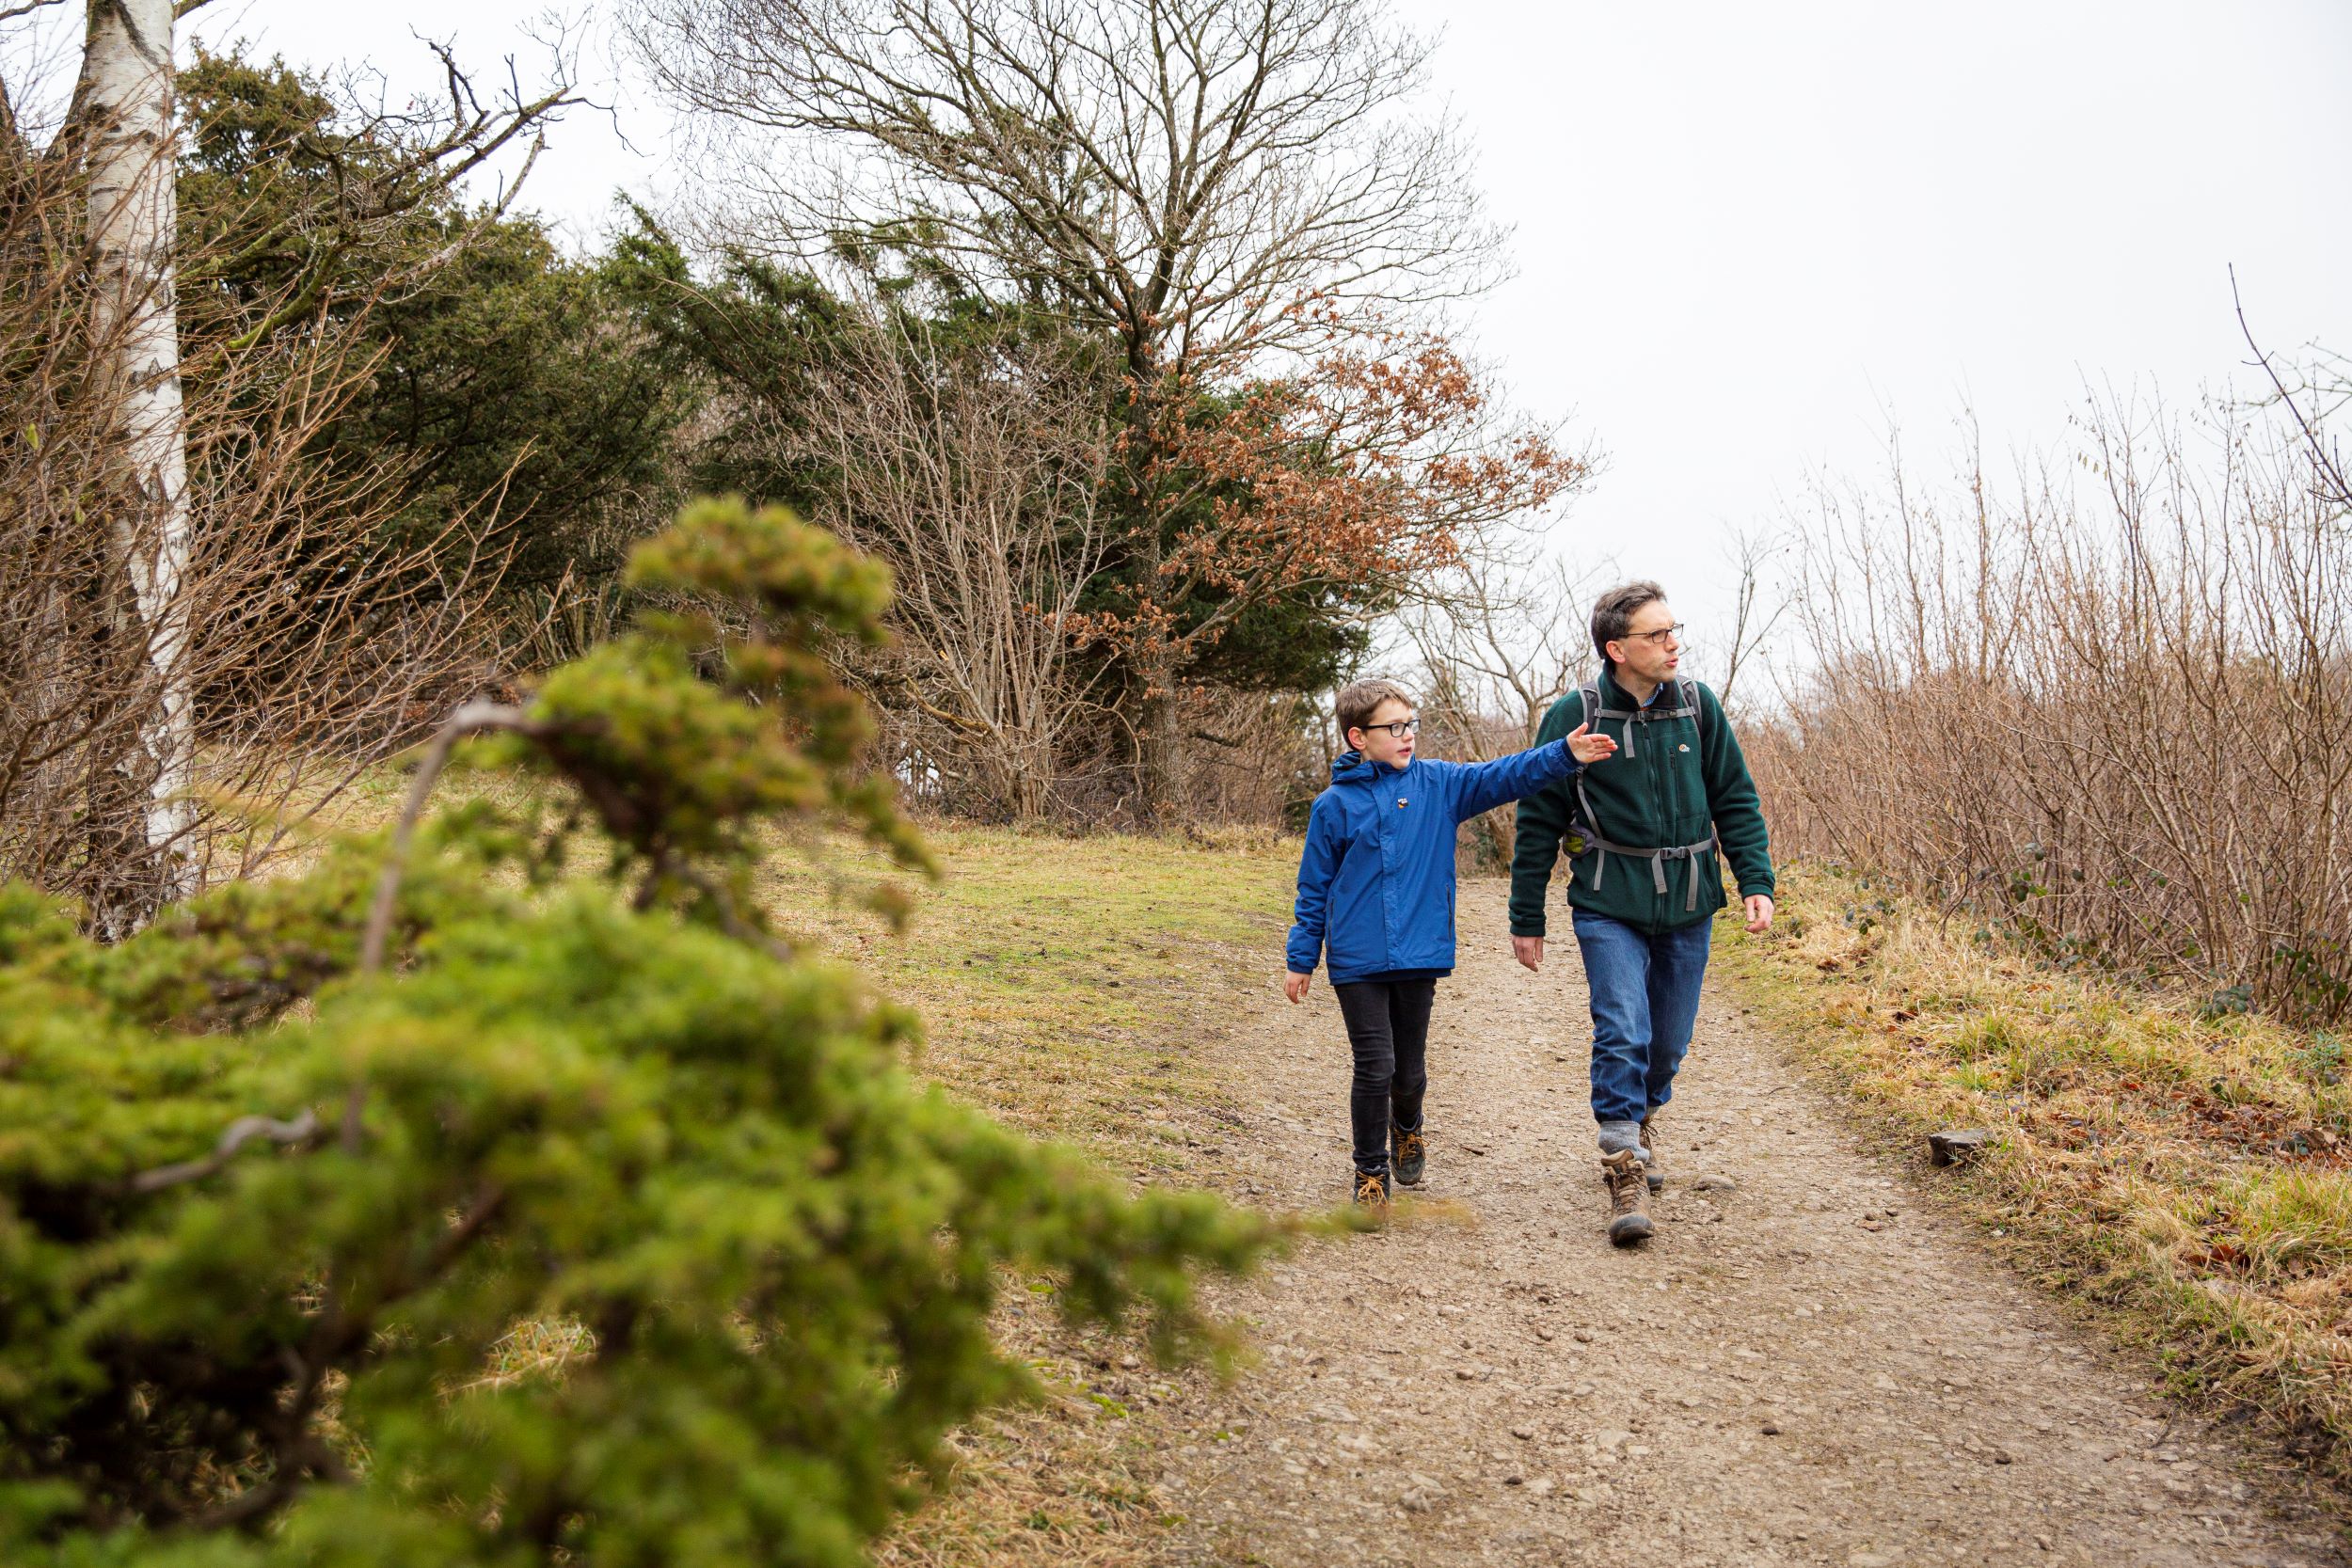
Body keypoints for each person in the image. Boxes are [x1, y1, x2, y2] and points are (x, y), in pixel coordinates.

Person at [1507, 581, 1775, 1245]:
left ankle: (1644, 1113)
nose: (1672, 643)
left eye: (1673, 629)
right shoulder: (1578, 712)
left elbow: (1735, 798)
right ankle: (1623, 1160)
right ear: (1616, 648)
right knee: (1622, 1026)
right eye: (1657, 635)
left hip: (1690, 898)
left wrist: (1754, 879)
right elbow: (1539, 815)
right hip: (1608, 899)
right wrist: (1527, 915)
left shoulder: (1697, 705)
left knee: (1668, 1043)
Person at [1285, 678, 1617, 1212]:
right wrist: (1301, 959)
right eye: (1392, 727)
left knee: (1409, 1071)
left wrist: (1565, 754)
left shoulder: (1440, 785)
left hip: (1420, 952)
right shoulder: (1332, 808)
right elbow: (1313, 888)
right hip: (1356, 959)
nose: (1407, 735)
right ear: (1357, 737)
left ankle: (1408, 1127)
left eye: (1410, 723)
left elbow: (1506, 775)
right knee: (1375, 1065)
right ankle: (1369, 1173)